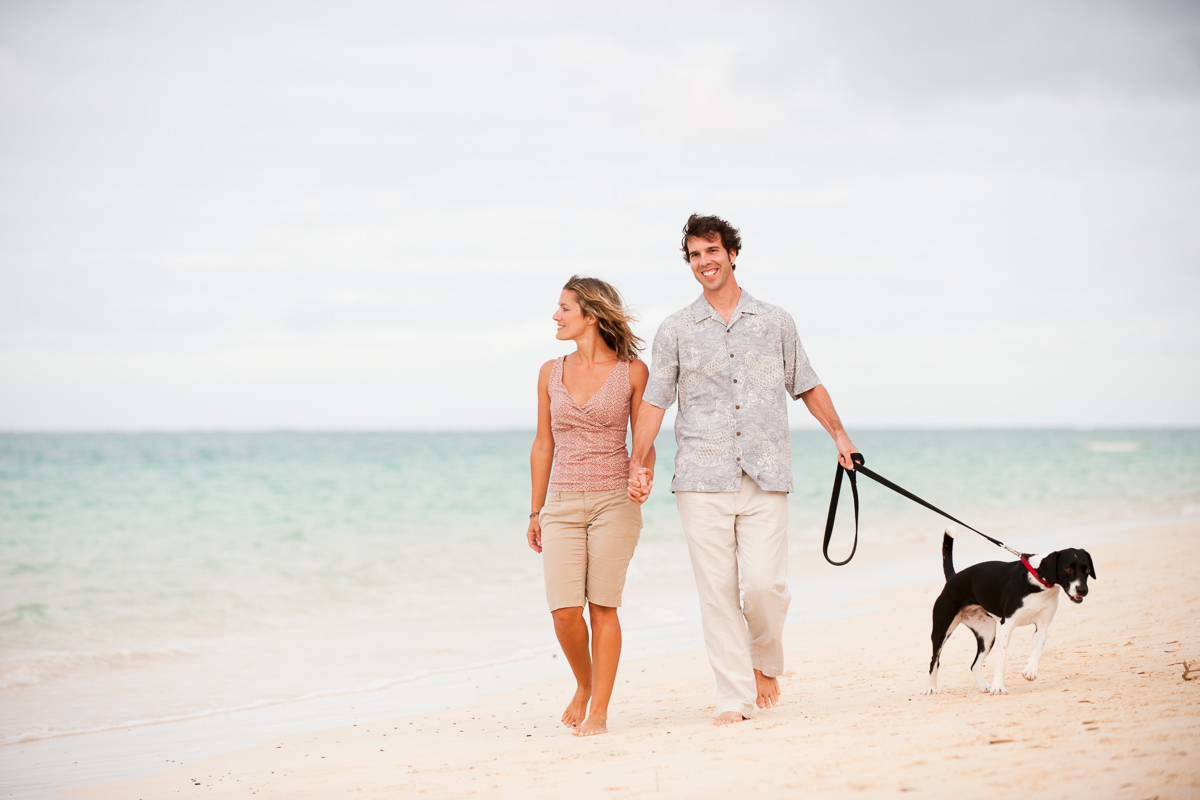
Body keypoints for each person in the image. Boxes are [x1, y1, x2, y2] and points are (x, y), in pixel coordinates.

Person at [627, 214, 858, 726]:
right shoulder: (675, 330)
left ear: (732, 253)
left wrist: (839, 434)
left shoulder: (776, 321)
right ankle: (733, 696)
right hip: (700, 479)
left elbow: (806, 383)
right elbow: (654, 403)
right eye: (694, 255)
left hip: (766, 472)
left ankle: (766, 662)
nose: (704, 262)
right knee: (716, 592)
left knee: (763, 587)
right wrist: (638, 460)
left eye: (712, 251)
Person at [527, 275, 655, 736]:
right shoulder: (549, 371)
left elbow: (644, 439)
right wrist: (535, 510)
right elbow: (543, 445)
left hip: (613, 501)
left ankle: (599, 710)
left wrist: (643, 471)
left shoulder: (632, 371)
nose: (556, 317)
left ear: (592, 315)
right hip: (560, 501)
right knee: (564, 612)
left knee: (603, 606)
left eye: (564, 308)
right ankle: (584, 683)